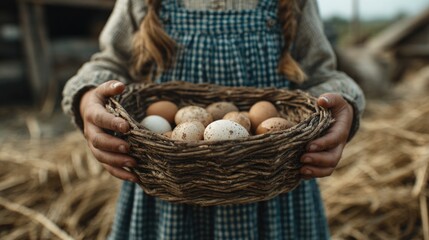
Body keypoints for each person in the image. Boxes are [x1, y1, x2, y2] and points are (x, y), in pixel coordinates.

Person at [62, 0, 365, 239]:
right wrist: (89, 97)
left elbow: (321, 74)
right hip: (168, 190)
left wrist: (341, 108)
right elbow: (110, 62)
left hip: (271, 186)